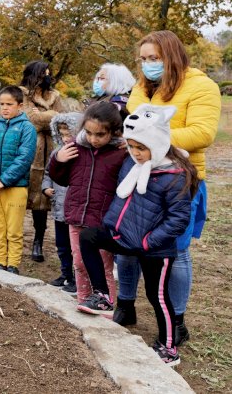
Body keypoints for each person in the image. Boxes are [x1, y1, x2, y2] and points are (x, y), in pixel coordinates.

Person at [114, 31, 220, 345]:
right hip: (138, 176)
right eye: (144, 59)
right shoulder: (141, 87)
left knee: (177, 252)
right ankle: (125, 304)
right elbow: (130, 124)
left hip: (178, 180)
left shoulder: (201, 86)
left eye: (154, 59)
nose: (148, 65)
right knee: (127, 244)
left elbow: (202, 133)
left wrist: (152, 137)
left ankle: (177, 319)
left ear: (171, 56)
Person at [78, 104, 198, 367]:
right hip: (124, 237)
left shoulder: (174, 175)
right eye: (131, 147)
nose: (134, 153)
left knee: (158, 297)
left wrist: (148, 242)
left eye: (140, 148)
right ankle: (102, 295)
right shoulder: (131, 162)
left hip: (154, 247)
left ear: (157, 145)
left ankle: (168, 348)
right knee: (88, 237)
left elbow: (178, 219)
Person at [48, 101, 127, 308]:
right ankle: (84, 302)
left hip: (101, 221)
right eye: (89, 133)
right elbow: (61, 178)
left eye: (100, 135)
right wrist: (58, 159)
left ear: (114, 130)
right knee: (80, 264)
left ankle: (106, 306)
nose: (93, 139)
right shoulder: (75, 147)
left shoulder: (120, 153)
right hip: (76, 217)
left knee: (103, 267)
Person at [0, 86, 37, 275]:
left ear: (20, 105)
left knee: (13, 230)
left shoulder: (27, 128)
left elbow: (24, 159)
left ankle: (13, 265)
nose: (4, 108)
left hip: (15, 188)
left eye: (9, 104)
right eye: (2, 104)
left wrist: (4, 181)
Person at [19, 61, 64, 262]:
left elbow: (62, 122)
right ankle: (11, 241)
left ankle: (38, 241)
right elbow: (31, 119)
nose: (48, 76)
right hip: (27, 152)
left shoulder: (55, 96)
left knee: (42, 201)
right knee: (19, 197)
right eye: (45, 72)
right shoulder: (20, 93)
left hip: (50, 152)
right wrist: (51, 117)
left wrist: (47, 119)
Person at [41, 112, 82, 293]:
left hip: (75, 210)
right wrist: (45, 188)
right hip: (59, 208)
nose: (66, 138)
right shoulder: (57, 153)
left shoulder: (82, 155)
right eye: (63, 135)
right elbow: (49, 173)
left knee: (76, 248)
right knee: (62, 245)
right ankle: (65, 274)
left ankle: (77, 279)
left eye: (69, 134)